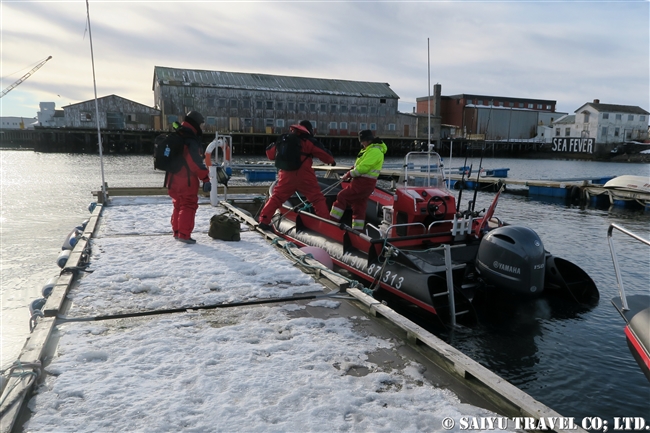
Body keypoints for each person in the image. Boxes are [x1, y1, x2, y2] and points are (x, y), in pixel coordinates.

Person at [258, 123, 335, 230]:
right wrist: (331, 161)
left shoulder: (284, 139)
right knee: (317, 199)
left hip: (286, 175)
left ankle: (263, 220)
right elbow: (325, 155)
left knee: (277, 197)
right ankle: (326, 226)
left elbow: (270, 154)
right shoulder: (308, 141)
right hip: (305, 176)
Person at [165, 111, 210, 244]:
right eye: (201, 124)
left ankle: (177, 231)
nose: (202, 127)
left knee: (178, 204)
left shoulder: (180, 134)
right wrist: (206, 179)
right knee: (188, 205)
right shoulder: (191, 140)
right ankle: (184, 234)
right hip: (186, 180)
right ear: (196, 123)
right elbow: (195, 163)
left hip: (173, 178)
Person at [330, 130, 387, 231]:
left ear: (367, 140)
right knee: (359, 206)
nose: (361, 144)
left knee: (342, 196)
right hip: (365, 184)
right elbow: (360, 165)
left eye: (362, 141)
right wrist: (353, 169)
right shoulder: (369, 150)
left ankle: (331, 223)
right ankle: (357, 231)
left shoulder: (374, 151)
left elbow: (364, 168)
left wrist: (349, 174)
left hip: (363, 183)